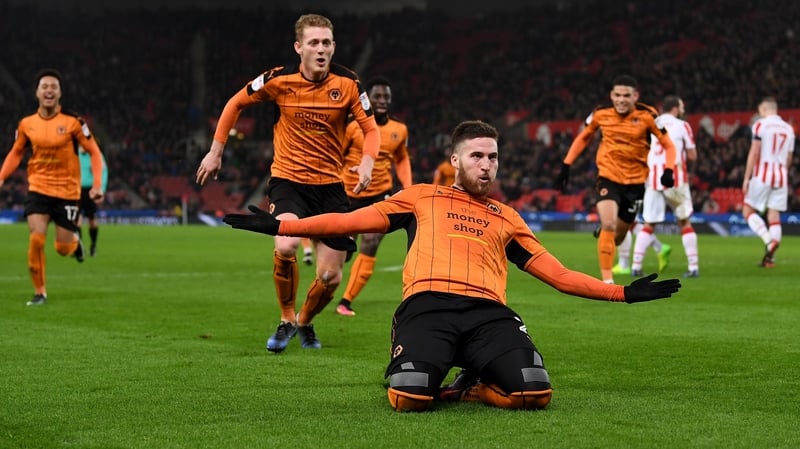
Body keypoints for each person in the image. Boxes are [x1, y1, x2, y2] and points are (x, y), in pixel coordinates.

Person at [222, 120, 681, 412]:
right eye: (477, 156)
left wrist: (622, 293)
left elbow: (558, 275)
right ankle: (440, 368)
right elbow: (348, 219)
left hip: (488, 314)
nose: (487, 165)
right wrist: (287, 225)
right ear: (456, 160)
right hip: (428, 308)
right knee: (407, 397)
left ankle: (474, 386)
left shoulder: (508, 217)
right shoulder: (420, 197)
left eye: (493, 157)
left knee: (534, 392)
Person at [195, 13, 379, 352]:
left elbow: (370, 130)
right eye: (313, 43)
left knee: (330, 278)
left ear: (333, 46)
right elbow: (235, 102)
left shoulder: (349, 83)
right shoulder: (278, 80)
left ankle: (305, 321)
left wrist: (367, 162)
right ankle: (285, 318)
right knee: (285, 246)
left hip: (330, 189)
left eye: (326, 43)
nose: (321, 49)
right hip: (288, 182)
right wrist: (215, 151)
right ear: (299, 48)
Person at [555, 75, 677, 284]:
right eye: (617, 95)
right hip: (608, 177)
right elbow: (584, 136)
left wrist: (668, 170)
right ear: (611, 95)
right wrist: (567, 164)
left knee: (618, 237)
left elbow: (669, 145)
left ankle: (605, 231)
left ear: (635, 96)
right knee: (609, 224)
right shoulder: (600, 113)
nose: (621, 100)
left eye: (626, 96)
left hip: (636, 183)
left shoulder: (648, 115)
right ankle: (607, 281)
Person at [0, 69, 105, 306]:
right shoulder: (27, 124)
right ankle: (40, 292)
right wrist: (1, 176)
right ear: (37, 92)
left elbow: (94, 152)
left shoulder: (74, 122)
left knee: (62, 248)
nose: (49, 90)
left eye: (53, 87)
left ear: (59, 93)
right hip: (38, 188)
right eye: (44, 86)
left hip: (67, 191)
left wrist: (97, 184)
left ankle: (75, 243)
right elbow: (16, 152)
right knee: (36, 239)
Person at [336, 76, 412, 316]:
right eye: (377, 96)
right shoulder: (352, 125)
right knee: (344, 249)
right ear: (367, 99)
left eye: (386, 97)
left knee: (370, 242)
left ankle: (345, 301)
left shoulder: (399, 129)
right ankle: (344, 252)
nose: (382, 101)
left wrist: (407, 186)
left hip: (380, 194)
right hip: (348, 194)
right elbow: (337, 154)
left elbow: (401, 158)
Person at [631, 95, 699, 278]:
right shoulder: (682, 125)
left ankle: (636, 266)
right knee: (684, 222)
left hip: (653, 178)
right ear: (676, 108)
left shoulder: (651, 123)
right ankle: (693, 267)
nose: (683, 110)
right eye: (682, 106)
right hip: (675, 178)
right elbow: (692, 155)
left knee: (649, 224)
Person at [742, 97, 795, 268]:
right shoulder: (789, 129)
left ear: (764, 110)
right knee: (774, 215)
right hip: (781, 175)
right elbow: (789, 157)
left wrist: (746, 177)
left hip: (762, 174)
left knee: (747, 210)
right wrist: (782, 173)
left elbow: (754, 152)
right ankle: (770, 259)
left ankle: (769, 241)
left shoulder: (760, 125)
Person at [77, 146, 108, 256]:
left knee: (92, 219)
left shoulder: (96, 154)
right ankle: (79, 247)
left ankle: (93, 245)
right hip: (77, 189)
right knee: (77, 218)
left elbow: (104, 172)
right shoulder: (74, 153)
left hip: (92, 189)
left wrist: (101, 189)